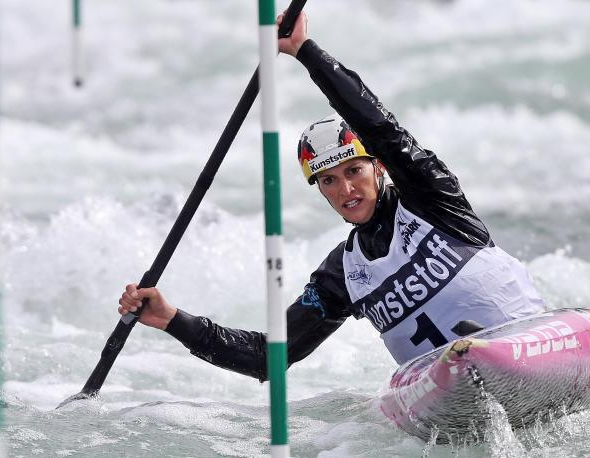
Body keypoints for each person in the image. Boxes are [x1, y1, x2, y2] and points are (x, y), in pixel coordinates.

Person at [118, 12, 545, 381]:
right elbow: (270, 356)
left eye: (354, 170)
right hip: (450, 383)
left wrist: (304, 50)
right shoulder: (344, 273)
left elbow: (380, 125)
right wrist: (172, 320)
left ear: (378, 166)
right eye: (329, 181)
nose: (346, 189)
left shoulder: (432, 197)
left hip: (532, 346)